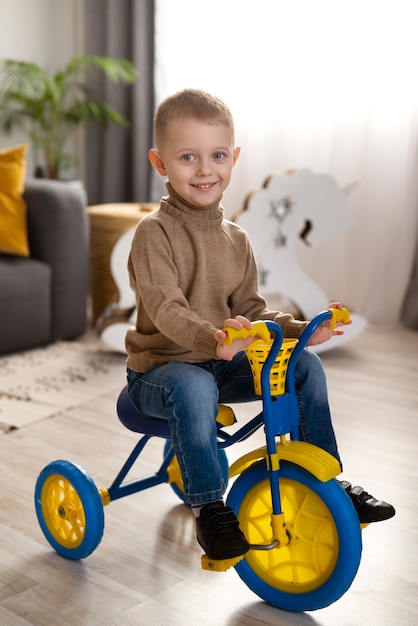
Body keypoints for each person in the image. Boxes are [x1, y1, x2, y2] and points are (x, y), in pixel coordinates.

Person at [125, 88, 395, 561]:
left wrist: (305, 328)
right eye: (187, 157)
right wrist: (213, 339)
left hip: (219, 363)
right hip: (159, 371)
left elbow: (253, 311)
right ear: (160, 163)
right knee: (192, 386)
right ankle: (209, 507)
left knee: (305, 365)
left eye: (217, 155)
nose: (205, 169)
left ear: (235, 158)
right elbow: (166, 310)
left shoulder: (238, 239)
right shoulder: (154, 233)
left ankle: (325, 476)